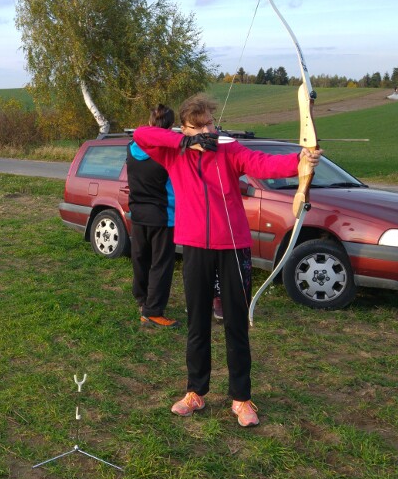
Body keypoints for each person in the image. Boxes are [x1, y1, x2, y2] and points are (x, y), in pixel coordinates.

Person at [132, 94, 321, 427]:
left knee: (235, 322)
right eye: (199, 126)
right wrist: (184, 142)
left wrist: (300, 160)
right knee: (198, 322)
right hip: (194, 246)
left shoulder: (229, 150)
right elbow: (141, 135)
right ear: (185, 128)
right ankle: (195, 392)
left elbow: (263, 164)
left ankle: (241, 398)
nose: (208, 131)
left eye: (210, 124)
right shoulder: (174, 154)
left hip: (233, 246)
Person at [127, 105, 179, 328]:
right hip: (163, 217)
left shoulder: (131, 147)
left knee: (141, 259)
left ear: (149, 123)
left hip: (137, 214)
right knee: (161, 264)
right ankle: (153, 312)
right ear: (171, 127)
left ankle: (142, 300)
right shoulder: (168, 152)